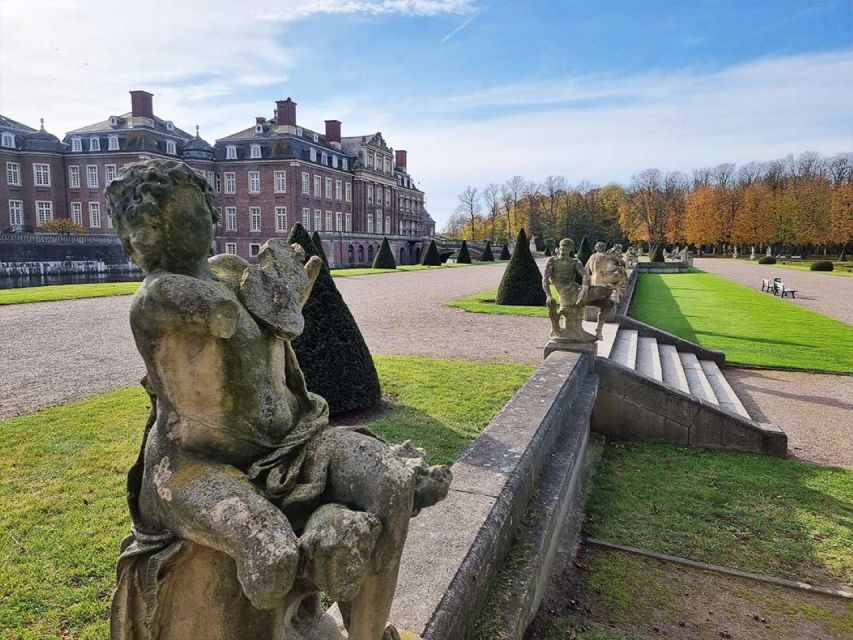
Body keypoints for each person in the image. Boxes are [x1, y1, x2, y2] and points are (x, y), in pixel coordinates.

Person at [106, 158, 448, 640]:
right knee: (270, 551)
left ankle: (369, 632)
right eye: (147, 224)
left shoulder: (230, 271)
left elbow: (286, 327)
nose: (155, 234)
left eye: (189, 213)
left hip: (295, 442)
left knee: (392, 483)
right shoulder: (158, 296)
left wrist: (283, 299)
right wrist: (278, 294)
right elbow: (221, 316)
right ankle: (327, 538)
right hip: (195, 467)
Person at [542, 238, 614, 343]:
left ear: (571, 249)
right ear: (559, 246)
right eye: (563, 246)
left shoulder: (574, 261)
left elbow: (585, 276)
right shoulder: (552, 261)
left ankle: (598, 330)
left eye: (567, 247)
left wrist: (584, 290)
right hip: (566, 293)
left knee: (609, 301)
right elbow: (545, 279)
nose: (564, 249)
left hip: (577, 290)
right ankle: (571, 331)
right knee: (606, 291)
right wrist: (548, 295)